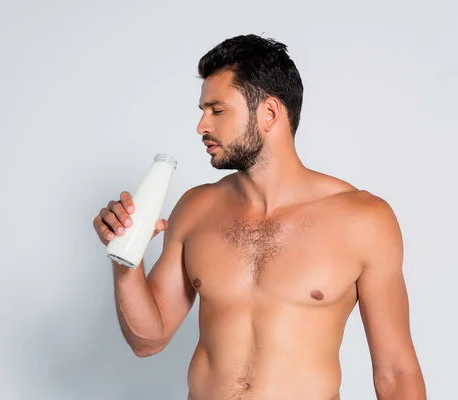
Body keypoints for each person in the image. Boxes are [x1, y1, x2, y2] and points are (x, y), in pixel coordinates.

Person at [92, 34, 426, 400]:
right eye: (203, 111)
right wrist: (126, 259)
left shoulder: (363, 219)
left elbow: (396, 371)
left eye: (217, 111)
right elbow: (148, 340)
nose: (202, 126)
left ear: (269, 113)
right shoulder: (195, 208)